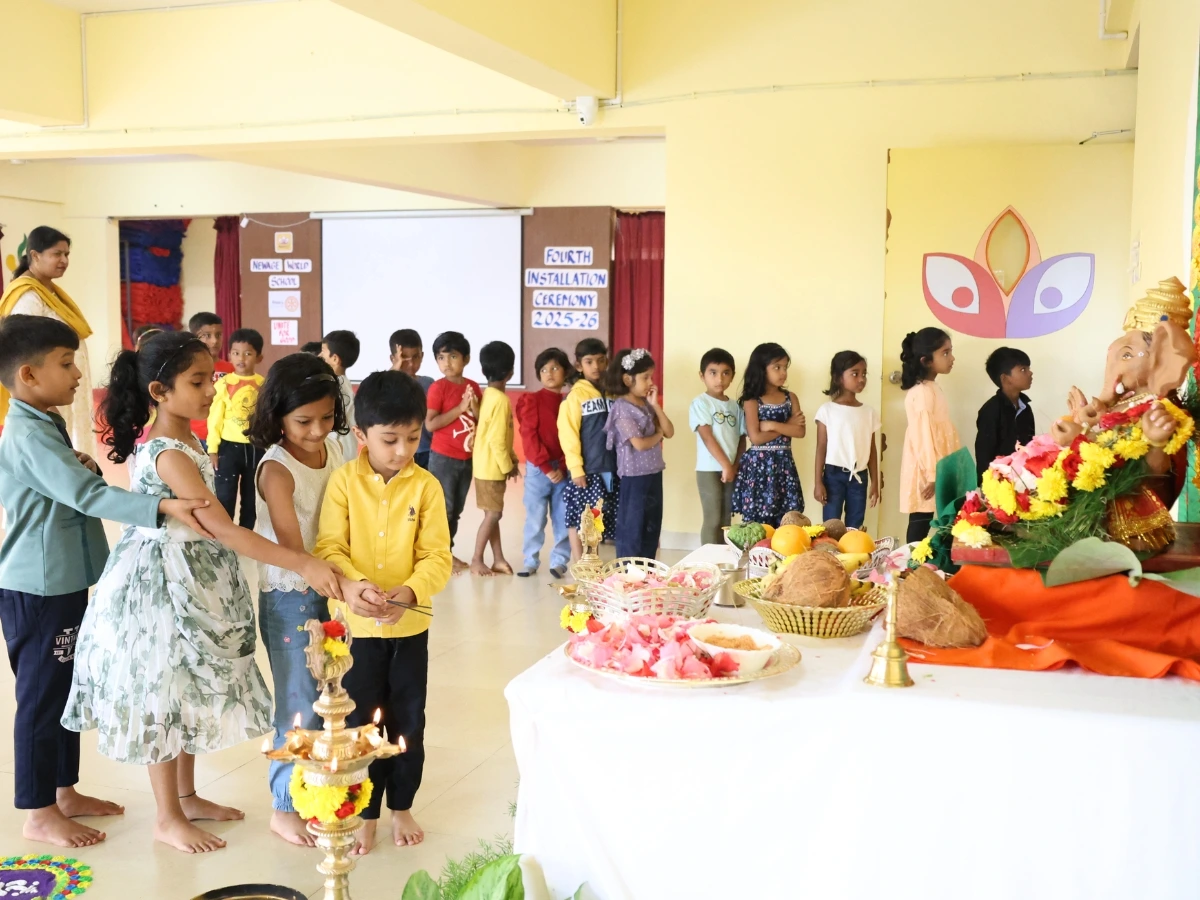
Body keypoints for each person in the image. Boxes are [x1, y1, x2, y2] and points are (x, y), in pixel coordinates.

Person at [61, 331, 343, 855]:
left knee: (188, 690)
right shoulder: (169, 453)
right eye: (198, 380)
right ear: (159, 390)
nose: (212, 389)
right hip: (161, 587)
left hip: (196, 577)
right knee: (163, 695)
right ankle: (167, 816)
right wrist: (302, 561)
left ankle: (187, 796)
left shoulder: (189, 440)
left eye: (211, 377)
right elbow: (224, 529)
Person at [0, 315, 211, 849]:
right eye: (66, 364)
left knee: (65, 686)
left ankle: (62, 791)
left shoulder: (40, 422)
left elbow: (61, 482)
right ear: (28, 374)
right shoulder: (26, 431)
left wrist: (77, 463)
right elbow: (87, 497)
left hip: (64, 581)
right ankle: (38, 810)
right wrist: (162, 507)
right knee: (42, 697)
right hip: (37, 588)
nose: (77, 375)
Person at [314, 370, 452, 854]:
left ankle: (402, 806)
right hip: (354, 629)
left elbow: (438, 556)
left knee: (408, 718)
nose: (402, 450)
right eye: (390, 439)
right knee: (361, 725)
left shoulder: (427, 486)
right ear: (361, 436)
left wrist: (410, 593)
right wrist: (356, 587)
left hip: (410, 625)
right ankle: (366, 811)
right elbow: (330, 546)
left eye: (412, 438)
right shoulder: (343, 482)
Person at [247, 352, 347, 847]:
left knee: (328, 696)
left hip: (333, 588)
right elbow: (292, 548)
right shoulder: (277, 468)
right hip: (293, 595)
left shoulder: (338, 450)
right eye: (303, 420)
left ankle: (320, 790)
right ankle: (283, 806)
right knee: (297, 703)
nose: (316, 430)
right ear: (278, 416)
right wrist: (330, 575)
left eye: (326, 418)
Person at [0, 227, 95, 456]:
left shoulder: (49, 291)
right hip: (47, 393)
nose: (64, 260)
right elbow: (25, 354)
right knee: (56, 453)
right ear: (35, 255)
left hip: (63, 385)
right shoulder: (27, 296)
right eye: (57, 254)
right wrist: (47, 406)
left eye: (67, 254)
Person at [605, 349, 674, 560]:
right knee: (632, 530)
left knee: (651, 528)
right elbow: (639, 444)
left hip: (653, 474)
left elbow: (669, 431)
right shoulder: (621, 408)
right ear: (627, 379)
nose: (650, 382)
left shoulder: (646, 405)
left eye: (651, 376)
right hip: (634, 478)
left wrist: (656, 406)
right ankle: (628, 575)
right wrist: (658, 435)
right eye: (645, 377)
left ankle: (647, 574)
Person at [425, 331, 482, 573]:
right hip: (443, 458)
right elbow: (431, 424)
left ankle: (446, 552)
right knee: (443, 509)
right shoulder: (439, 388)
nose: (446, 363)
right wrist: (460, 408)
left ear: (466, 359)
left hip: (467, 458)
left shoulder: (473, 387)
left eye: (453, 356)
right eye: (441, 357)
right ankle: (438, 556)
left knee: (456, 510)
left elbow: (480, 420)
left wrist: (475, 406)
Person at [732, 343, 805, 527]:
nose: (783, 373)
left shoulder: (791, 398)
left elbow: (800, 431)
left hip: (784, 465)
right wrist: (787, 426)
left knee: (787, 520)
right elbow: (755, 438)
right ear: (761, 370)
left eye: (785, 367)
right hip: (759, 468)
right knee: (759, 523)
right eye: (777, 367)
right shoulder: (752, 400)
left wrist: (772, 425)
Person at [899, 327, 960, 544]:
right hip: (928, 469)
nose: (951, 358)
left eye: (950, 351)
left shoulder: (933, 388)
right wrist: (934, 474)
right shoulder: (921, 393)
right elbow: (923, 436)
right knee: (921, 518)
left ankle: (933, 566)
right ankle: (911, 567)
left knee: (946, 517)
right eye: (945, 353)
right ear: (926, 360)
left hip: (940, 465)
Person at [559, 338, 618, 558]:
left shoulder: (613, 394)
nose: (596, 367)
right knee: (580, 517)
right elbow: (568, 435)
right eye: (589, 361)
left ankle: (593, 561)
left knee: (598, 518)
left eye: (601, 361)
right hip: (587, 470)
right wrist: (576, 468)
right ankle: (579, 564)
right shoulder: (575, 396)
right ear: (578, 365)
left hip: (609, 467)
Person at [517, 348, 571, 578]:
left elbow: (574, 438)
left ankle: (559, 561)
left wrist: (563, 465)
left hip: (564, 469)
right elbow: (529, 436)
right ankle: (530, 560)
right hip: (539, 469)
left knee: (563, 516)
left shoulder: (570, 402)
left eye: (555, 368)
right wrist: (548, 468)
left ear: (566, 372)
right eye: (544, 369)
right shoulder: (532, 400)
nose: (549, 373)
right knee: (535, 516)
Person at [812, 350, 881, 530]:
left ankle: (852, 557)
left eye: (864, 374)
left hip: (859, 477)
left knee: (855, 526)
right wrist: (818, 482)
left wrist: (875, 482)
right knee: (830, 526)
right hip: (833, 476)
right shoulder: (827, 410)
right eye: (855, 373)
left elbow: (872, 450)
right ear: (838, 377)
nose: (861, 379)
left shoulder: (869, 412)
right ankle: (828, 557)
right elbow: (821, 447)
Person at [207, 327, 266, 527]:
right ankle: (224, 537)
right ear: (229, 355)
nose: (241, 358)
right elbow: (214, 419)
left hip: (256, 448)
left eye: (248, 353)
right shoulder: (222, 384)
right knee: (225, 495)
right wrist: (212, 449)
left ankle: (246, 535)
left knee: (252, 498)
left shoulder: (264, 385)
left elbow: (267, 417)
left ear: (259, 357)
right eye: (236, 353)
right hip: (227, 449)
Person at [469, 341, 517, 576]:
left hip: (484, 466)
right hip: (492, 469)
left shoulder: (489, 395)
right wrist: (508, 465)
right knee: (493, 514)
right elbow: (498, 440)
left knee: (492, 512)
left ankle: (498, 559)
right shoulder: (501, 400)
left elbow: (495, 433)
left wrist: (513, 458)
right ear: (511, 373)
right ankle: (477, 560)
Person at [690, 348, 745, 545]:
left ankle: (723, 561)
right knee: (712, 519)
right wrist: (726, 465)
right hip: (708, 469)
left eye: (725, 373)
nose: (719, 379)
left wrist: (735, 465)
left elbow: (741, 439)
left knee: (725, 521)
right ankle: (708, 563)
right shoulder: (701, 403)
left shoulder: (735, 407)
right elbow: (707, 437)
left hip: (730, 469)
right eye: (713, 373)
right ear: (702, 376)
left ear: (732, 376)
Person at [975, 347, 1035, 479]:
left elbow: (1030, 445)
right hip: (1000, 481)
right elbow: (984, 454)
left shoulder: (1025, 407)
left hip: (1024, 478)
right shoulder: (991, 410)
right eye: (1023, 370)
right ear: (1005, 378)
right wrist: (986, 485)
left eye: (1028, 368)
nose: (1030, 373)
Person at [187, 312, 234, 445]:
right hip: (194, 435)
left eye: (218, 335)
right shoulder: (187, 369)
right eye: (207, 336)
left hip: (224, 436)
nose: (214, 341)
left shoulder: (231, 369)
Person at [389, 329, 434, 469]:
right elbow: (380, 396)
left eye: (415, 357)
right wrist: (394, 369)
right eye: (404, 358)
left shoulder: (429, 383)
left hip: (427, 450)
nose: (410, 363)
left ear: (422, 356)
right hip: (400, 450)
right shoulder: (389, 383)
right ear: (393, 358)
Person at [320, 330, 362, 464]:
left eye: (323, 351)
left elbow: (335, 420)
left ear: (335, 359)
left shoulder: (337, 385)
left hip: (341, 450)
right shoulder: (342, 383)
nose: (320, 355)